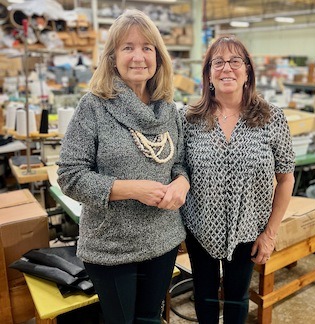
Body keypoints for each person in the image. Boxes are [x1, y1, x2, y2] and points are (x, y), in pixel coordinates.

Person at [57, 9, 190, 324]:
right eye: (128, 47)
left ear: (158, 56)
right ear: (112, 57)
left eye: (147, 47)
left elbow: (180, 164)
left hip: (163, 239)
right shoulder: (94, 107)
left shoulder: (169, 110)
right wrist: (132, 189)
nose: (139, 56)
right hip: (111, 247)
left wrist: (182, 183)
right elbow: (70, 176)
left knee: (150, 318)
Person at [180, 35, 295, 323]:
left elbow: (286, 178)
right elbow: (178, 170)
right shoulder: (189, 119)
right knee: (204, 295)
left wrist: (269, 234)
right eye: (217, 62)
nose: (226, 68)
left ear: (247, 72)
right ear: (208, 74)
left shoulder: (271, 117)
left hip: (249, 230)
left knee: (237, 298)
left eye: (235, 61)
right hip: (200, 227)